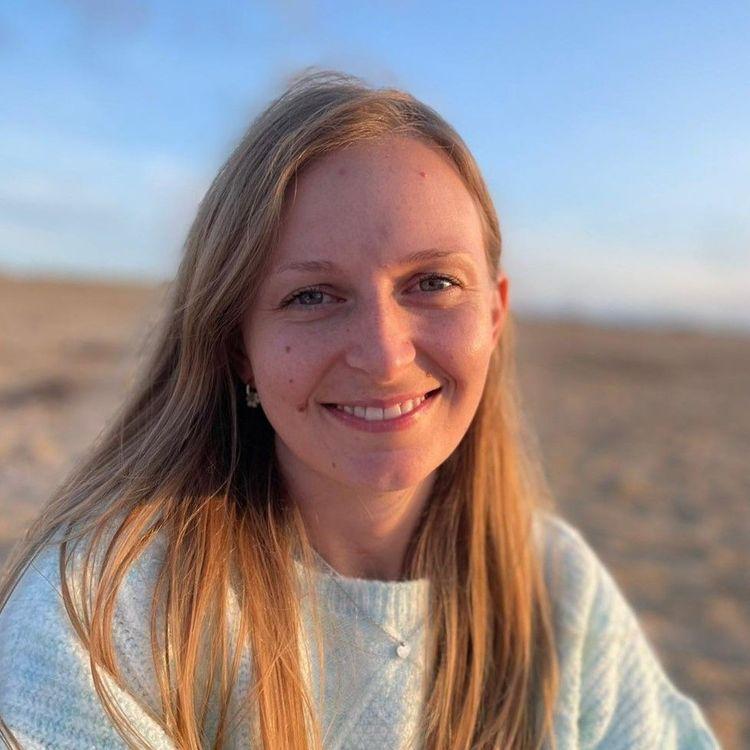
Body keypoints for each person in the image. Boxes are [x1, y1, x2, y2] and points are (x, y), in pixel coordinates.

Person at [0, 70, 720, 750]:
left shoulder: (558, 592)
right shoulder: (105, 614)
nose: (383, 355)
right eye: (311, 296)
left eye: (432, 282)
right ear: (238, 346)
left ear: (494, 316)